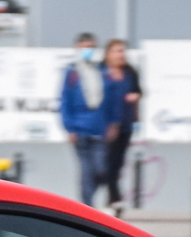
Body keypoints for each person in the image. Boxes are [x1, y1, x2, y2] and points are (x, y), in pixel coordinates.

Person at [60, 38, 132, 205]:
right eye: (84, 47)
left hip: (100, 129)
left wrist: (114, 122)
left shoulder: (101, 71)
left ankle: (96, 201)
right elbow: (65, 101)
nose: (88, 50)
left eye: (91, 47)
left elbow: (113, 100)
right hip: (80, 130)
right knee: (86, 172)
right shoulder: (72, 73)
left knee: (102, 170)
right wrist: (69, 127)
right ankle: (87, 207)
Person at [98, 40, 143, 214]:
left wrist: (135, 96)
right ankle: (114, 199)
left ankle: (113, 200)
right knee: (104, 165)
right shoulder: (101, 71)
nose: (121, 55)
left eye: (123, 51)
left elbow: (139, 90)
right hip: (105, 125)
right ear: (108, 53)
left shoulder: (130, 72)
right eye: (117, 51)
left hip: (125, 124)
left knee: (116, 164)